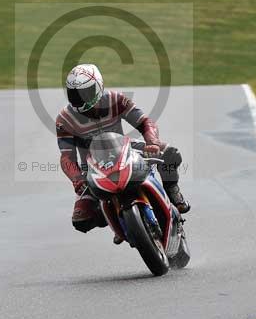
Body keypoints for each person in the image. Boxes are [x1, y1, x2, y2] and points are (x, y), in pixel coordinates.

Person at [56, 63, 190, 235]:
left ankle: (172, 190)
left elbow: (145, 123)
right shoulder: (64, 119)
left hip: (127, 150)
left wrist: (152, 143)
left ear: (98, 87)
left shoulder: (116, 99)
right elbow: (66, 157)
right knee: (81, 220)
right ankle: (119, 221)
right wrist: (77, 179)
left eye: (84, 92)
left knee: (171, 153)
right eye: (74, 94)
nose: (79, 99)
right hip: (92, 168)